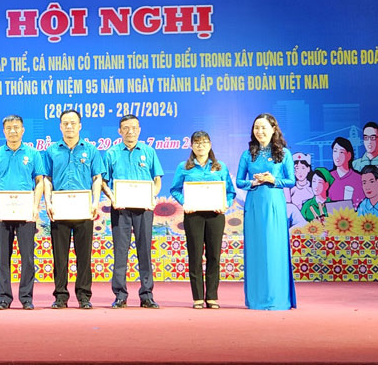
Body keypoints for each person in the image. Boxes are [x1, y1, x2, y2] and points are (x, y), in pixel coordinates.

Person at [43, 109, 104, 309]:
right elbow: (47, 179)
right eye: (65, 123)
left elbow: (97, 178)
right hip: (59, 210)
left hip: (83, 210)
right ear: (60, 126)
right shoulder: (51, 151)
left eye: (73, 123)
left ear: (80, 126)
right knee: (59, 257)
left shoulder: (91, 150)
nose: (69, 126)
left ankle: (84, 296)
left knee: (84, 257)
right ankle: (60, 296)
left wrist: (95, 202)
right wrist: (48, 202)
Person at [236, 113, 296, 311]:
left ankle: (277, 298)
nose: (259, 131)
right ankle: (256, 299)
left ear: (273, 129)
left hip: (274, 204)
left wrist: (273, 180)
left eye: (263, 127)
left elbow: (291, 180)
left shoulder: (284, 153)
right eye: (256, 128)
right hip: (254, 203)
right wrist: (253, 182)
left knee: (274, 248)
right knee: (256, 249)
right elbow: (239, 181)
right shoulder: (248, 154)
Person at [169, 131, 236, 309]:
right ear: (191, 146)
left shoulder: (220, 166)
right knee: (195, 256)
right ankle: (198, 297)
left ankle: (212, 296)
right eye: (197, 143)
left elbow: (230, 191)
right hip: (193, 216)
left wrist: (225, 204)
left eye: (205, 142)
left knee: (214, 255)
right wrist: (185, 203)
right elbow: (175, 190)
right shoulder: (184, 166)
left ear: (210, 144)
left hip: (215, 215)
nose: (201, 146)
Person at [102, 115, 163, 309]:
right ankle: (120, 294)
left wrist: (152, 197)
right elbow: (103, 181)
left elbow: (157, 179)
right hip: (120, 209)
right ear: (119, 131)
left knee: (144, 250)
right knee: (120, 251)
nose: (130, 131)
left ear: (139, 129)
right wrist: (112, 198)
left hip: (144, 209)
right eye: (126, 128)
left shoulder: (148, 151)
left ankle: (147, 294)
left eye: (134, 127)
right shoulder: (111, 153)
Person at [0, 115, 45, 310]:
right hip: (2, 212)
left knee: (27, 257)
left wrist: (36, 206)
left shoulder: (33, 154)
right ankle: (4, 298)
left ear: (23, 130)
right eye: (9, 128)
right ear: (4, 131)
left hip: (26, 211)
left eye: (16, 127)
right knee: (3, 256)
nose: (13, 131)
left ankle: (26, 298)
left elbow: (39, 182)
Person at [329, 137, 364, 210]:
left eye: (341, 152)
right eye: (335, 151)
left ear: (349, 155)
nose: (337, 156)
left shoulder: (359, 179)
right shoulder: (327, 177)